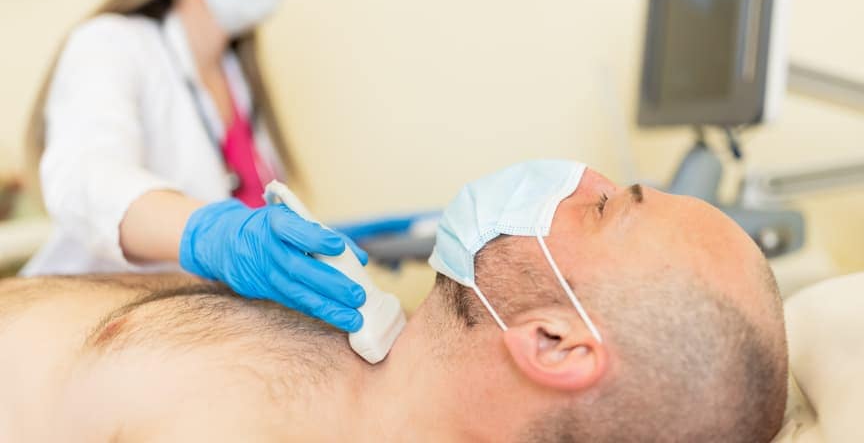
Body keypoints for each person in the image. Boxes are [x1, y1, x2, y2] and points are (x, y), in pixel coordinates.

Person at [0, 161, 788, 442]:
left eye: (608, 205)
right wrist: (200, 233)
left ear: (554, 343)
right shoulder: (365, 331)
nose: (580, 176)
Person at [20, 0, 367, 332]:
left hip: (191, 338)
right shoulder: (112, 42)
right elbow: (84, 178)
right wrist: (210, 234)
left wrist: (329, 253)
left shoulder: (237, 77)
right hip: (83, 333)